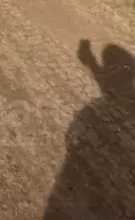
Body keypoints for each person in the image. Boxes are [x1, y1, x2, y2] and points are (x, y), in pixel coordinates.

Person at [44, 39, 135, 219]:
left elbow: (72, 137)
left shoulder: (95, 113)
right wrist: (90, 61)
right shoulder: (116, 106)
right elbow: (114, 88)